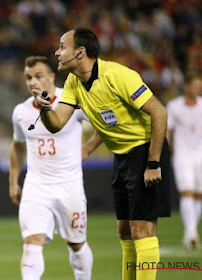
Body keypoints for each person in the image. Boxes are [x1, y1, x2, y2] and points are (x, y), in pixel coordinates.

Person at [35, 28, 171, 280]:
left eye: (62, 46)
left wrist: (153, 161)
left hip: (145, 151)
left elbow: (159, 113)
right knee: (125, 232)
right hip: (121, 157)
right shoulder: (74, 82)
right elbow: (56, 123)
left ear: (80, 52)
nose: (57, 51)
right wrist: (44, 109)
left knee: (142, 230)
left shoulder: (118, 75)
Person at [9, 55, 102, 280]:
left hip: (69, 186)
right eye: (28, 77)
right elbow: (18, 147)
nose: (32, 82)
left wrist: (87, 149)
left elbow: (105, 123)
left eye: (38, 76)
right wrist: (13, 181)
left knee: (76, 244)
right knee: (32, 242)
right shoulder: (21, 112)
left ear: (51, 76)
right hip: (36, 186)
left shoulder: (71, 101)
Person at [166, 74, 202, 249]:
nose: (197, 89)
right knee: (187, 192)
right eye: (195, 85)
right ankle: (191, 232)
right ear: (186, 86)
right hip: (182, 154)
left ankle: (190, 232)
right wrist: (167, 149)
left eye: (199, 86)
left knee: (198, 194)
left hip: (201, 154)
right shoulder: (174, 106)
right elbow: (168, 129)